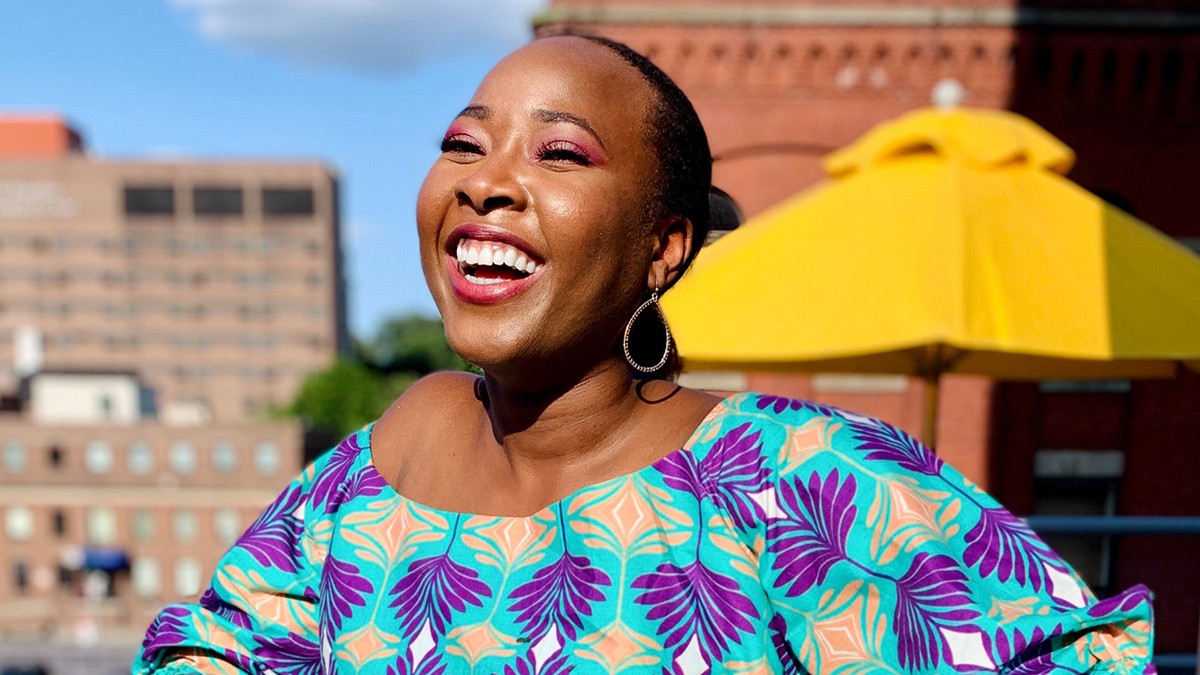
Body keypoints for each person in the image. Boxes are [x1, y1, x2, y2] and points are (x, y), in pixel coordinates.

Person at [135, 35, 1155, 674]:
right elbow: (213, 646)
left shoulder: (799, 483)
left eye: (562, 152)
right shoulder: (369, 476)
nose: (487, 182)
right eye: (462, 142)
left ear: (662, 248)